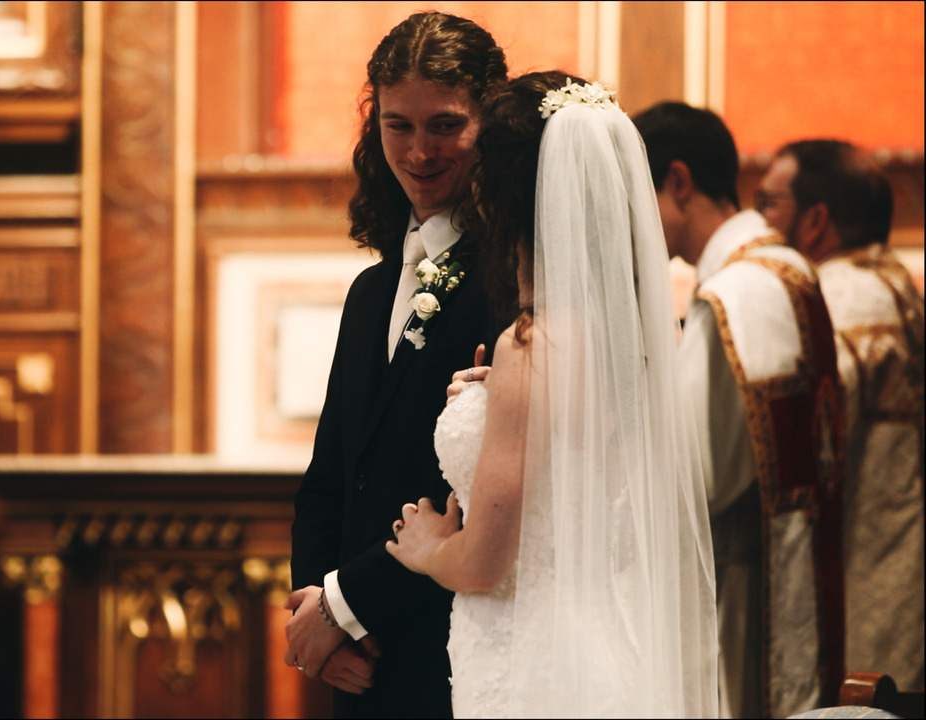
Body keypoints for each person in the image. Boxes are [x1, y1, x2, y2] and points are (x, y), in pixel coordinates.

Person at [385, 71, 719, 718]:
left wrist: (426, 547)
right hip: (613, 642)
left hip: (534, 658)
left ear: (500, 197)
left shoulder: (533, 346)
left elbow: (485, 561)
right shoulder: (635, 340)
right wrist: (494, 396)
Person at [284, 11, 509, 718]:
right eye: (397, 126)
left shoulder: (508, 282)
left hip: (456, 646)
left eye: (445, 125)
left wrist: (346, 608)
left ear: (490, 126)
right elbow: (331, 477)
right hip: (359, 663)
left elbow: (482, 496)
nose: (419, 151)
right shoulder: (371, 290)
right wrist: (318, 613)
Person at [633, 102, 846, 718]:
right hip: (789, 567)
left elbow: (692, 476)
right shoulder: (784, 267)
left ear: (677, 181)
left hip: (741, 585)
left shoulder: (734, 294)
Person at [757, 139, 924, 693]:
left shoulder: (838, 299)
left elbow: (805, 453)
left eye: (769, 203)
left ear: (815, 220)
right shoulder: (894, 279)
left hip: (867, 572)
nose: (759, 221)